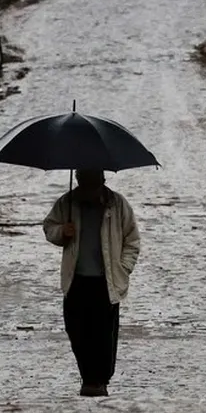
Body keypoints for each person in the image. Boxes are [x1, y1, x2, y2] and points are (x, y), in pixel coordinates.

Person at [42, 169, 142, 397]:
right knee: (76, 329)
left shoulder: (117, 205)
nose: (89, 189)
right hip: (76, 280)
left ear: (102, 181)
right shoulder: (67, 203)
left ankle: (99, 380)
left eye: (94, 183)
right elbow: (49, 227)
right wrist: (62, 232)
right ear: (78, 180)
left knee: (103, 333)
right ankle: (88, 376)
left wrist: (123, 268)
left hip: (105, 281)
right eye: (84, 183)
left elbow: (132, 240)